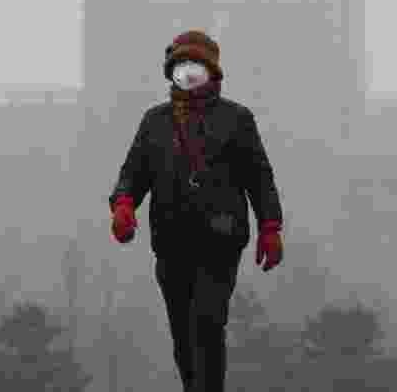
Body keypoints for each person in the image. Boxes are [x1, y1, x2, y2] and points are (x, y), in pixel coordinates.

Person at [108, 29, 284, 392]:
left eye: (197, 66)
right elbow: (133, 172)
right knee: (183, 333)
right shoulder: (154, 122)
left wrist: (270, 226)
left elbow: (259, 176)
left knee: (208, 319)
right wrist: (124, 205)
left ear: (213, 72)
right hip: (171, 241)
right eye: (182, 66)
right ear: (171, 71)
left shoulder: (237, 119)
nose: (188, 74)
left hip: (220, 239)